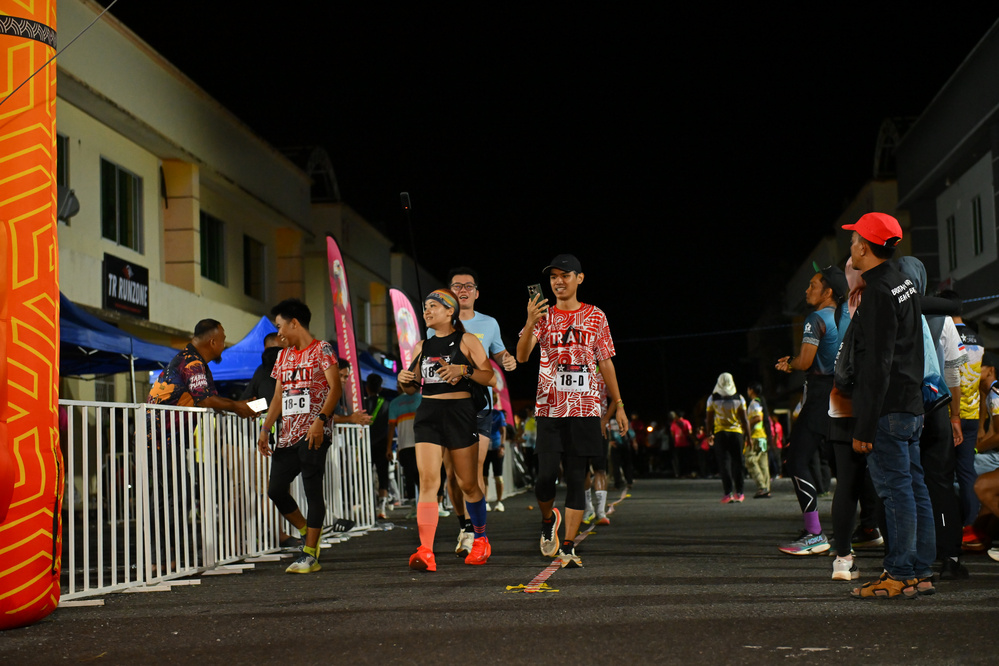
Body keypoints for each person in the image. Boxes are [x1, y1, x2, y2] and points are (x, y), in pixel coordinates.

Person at [836, 213, 933, 599]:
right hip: (910, 402)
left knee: (895, 491)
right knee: (915, 486)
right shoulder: (904, 282)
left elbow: (878, 363)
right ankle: (920, 570)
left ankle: (899, 573)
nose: (851, 247)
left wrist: (864, 425)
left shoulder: (877, 291)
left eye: (853, 240)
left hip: (887, 407)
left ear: (864, 247)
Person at [517, 254, 628, 568]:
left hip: (586, 408)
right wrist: (530, 320)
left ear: (579, 278)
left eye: (565, 275)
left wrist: (618, 404)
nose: (558, 281)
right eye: (553, 276)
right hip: (549, 408)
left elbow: (606, 362)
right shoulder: (543, 316)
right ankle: (547, 519)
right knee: (546, 476)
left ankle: (567, 546)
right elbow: (522, 356)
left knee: (577, 478)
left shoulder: (596, 316)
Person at [397, 289, 494, 571]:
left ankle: (481, 539)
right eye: (425, 307)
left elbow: (490, 377)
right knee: (428, 481)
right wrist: (404, 379)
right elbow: (411, 387)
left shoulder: (467, 340)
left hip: (459, 414)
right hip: (428, 414)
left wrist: (463, 371)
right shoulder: (422, 346)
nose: (426, 311)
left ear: (450, 311)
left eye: (433, 306)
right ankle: (426, 550)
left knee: (468, 484)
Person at [432, 267, 517, 557]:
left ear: (477, 293)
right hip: (447, 407)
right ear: (449, 292)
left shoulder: (489, 323)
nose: (463, 290)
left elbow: (499, 353)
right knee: (452, 475)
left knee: (474, 470)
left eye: (468, 286)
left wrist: (507, 360)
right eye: (457, 286)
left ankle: (478, 534)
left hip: (479, 407)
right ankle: (465, 526)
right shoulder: (437, 322)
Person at [256, 299, 343, 574]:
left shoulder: (322, 349)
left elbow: (335, 389)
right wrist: (265, 428)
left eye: (280, 326)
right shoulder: (282, 356)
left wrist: (320, 420)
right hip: (287, 435)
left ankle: (310, 555)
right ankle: (308, 531)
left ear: (294, 323)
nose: (279, 333)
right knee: (275, 490)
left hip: (314, 433)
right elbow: (278, 397)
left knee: (312, 490)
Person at [774, 262, 846, 555]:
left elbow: (805, 361)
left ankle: (815, 532)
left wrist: (790, 363)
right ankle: (866, 528)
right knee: (848, 466)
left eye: (812, 285)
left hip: (820, 396)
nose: (807, 290)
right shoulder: (849, 317)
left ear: (827, 292)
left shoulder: (816, 318)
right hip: (845, 395)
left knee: (797, 459)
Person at [938, 290, 987, 551]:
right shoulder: (977, 337)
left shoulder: (945, 333)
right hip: (972, 415)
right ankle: (972, 527)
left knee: (943, 474)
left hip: (950, 414)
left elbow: (949, 374)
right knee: (967, 473)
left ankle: (948, 528)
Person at [148, 319, 258, 418]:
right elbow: (205, 400)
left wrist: (243, 406)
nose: (224, 346)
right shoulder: (191, 362)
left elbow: (214, 399)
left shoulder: (197, 362)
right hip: (159, 433)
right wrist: (237, 406)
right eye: (223, 341)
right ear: (213, 342)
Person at [705, 373, 751, 503]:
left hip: (720, 434)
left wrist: (709, 434)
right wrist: (749, 437)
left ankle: (728, 493)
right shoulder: (739, 398)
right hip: (736, 434)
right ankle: (740, 493)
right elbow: (744, 420)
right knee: (738, 463)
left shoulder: (712, 399)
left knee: (724, 463)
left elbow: (709, 419)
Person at [363, 374, 392, 519]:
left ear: (367, 387)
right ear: (380, 388)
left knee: (365, 476)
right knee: (383, 476)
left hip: (365, 445)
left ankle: (368, 507)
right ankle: (382, 508)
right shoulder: (386, 404)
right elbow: (390, 426)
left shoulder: (362, 404)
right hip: (383, 444)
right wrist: (389, 448)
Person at [388, 382, 422, 507]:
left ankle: (414, 504)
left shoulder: (394, 403)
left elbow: (391, 427)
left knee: (409, 475)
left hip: (404, 445)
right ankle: (426, 503)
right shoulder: (422, 399)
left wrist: (389, 448)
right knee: (422, 474)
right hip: (421, 444)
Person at [744, 383, 772, 498]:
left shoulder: (754, 403)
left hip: (755, 436)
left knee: (750, 460)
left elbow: (758, 418)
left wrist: (746, 426)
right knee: (763, 464)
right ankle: (766, 489)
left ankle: (762, 487)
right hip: (763, 437)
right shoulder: (761, 402)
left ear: (751, 390)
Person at [483, 392, 506, 512]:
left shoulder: (498, 414)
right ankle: (485, 501)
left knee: (498, 476)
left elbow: (503, 431)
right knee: (483, 476)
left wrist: (502, 446)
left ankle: (499, 502)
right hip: (484, 449)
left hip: (496, 448)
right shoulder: (480, 414)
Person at [669, 411, 695, 479]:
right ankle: (687, 473)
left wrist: (674, 442)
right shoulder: (686, 422)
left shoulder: (674, 423)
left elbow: (672, 434)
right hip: (686, 443)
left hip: (678, 444)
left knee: (679, 460)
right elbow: (690, 432)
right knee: (686, 459)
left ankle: (680, 474)